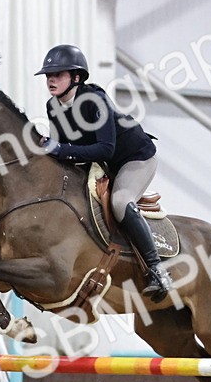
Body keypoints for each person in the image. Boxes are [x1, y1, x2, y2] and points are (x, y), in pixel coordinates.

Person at [36, 44, 172, 301]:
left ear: (76, 78)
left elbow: (105, 149)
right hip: (102, 163)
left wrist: (58, 149)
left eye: (58, 74)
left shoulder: (93, 100)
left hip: (134, 158)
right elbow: (63, 149)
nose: (50, 80)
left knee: (120, 201)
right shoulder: (53, 107)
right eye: (48, 75)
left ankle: (157, 269)